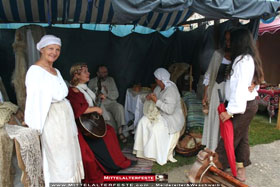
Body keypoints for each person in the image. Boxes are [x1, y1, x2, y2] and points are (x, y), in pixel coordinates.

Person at [24, 35, 84, 185]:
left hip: (64, 116)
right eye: (51, 48)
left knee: (68, 153)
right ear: (42, 49)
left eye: (57, 49)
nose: (54, 52)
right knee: (57, 155)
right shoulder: (35, 71)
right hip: (51, 118)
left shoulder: (55, 70)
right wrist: (34, 125)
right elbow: (33, 100)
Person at [67, 63, 133, 183]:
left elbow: (90, 102)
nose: (88, 73)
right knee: (108, 133)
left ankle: (115, 161)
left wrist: (99, 99)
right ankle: (110, 164)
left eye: (88, 71)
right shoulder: (74, 90)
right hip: (84, 128)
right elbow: (79, 110)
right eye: (85, 72)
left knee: (110, 130)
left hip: (90, 122)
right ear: (77, 75)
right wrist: (95, 109)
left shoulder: (84, 88)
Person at [215, 28, 264, 182]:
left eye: (230, 40)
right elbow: (251, 80)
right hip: (243, 104)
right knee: (242, 137)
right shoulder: (244, 59)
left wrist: (230, 111)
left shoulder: (244, 61)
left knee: (230, 136)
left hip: (243, 106)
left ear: (239, 41)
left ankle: (217, 163)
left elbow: (241, 88)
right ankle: (240, 166)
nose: (228, 44)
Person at [133, 68, 184, 165]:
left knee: (156, 128)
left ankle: (154, 154)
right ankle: (142, 152)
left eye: (156, 79)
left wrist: (156, 101)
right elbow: (152, 97)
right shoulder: (158, 87)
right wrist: (148, 97)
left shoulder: (171, 90)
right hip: (158, 113)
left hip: (171, 118)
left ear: (161, 80)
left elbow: (169, 110)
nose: (155, 81)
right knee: (142, 122)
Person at [201, 30, 232, 151]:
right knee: (215, 116)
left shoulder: (239, 56)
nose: (228, 43)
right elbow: (208, 75)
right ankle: (212, 146)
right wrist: (205, 95)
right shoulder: (218, 54)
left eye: (230, 40)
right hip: (216, 90)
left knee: (226, 119)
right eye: (226, 40)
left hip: (230, 92)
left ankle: (223, 146)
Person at [88, 65, 130, 143]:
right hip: (100, 104)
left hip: (110, 102)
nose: (105, 74)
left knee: (119, 107)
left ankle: (120, 131)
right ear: (98, 73)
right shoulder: (92, 81)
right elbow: (88, 95)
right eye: (102, 72)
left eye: (106, 72)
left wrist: (107, 93)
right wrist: (97, 95)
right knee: (103, 111)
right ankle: (107, 133)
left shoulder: (111, 80)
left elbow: (116, 94)